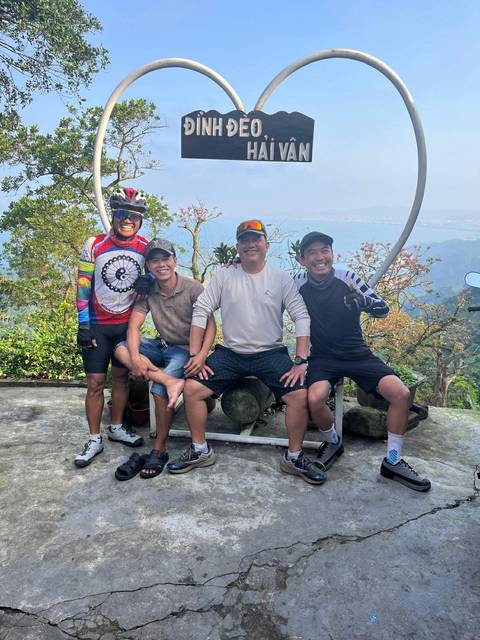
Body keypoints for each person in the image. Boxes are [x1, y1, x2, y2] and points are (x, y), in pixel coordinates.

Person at [167, 219, 326, 485]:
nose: (251, 244)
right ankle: (199, 450)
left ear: (266, 244)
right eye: (245, 240)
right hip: (231, 352)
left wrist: (301, 361)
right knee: (192, 390)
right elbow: (202, 309)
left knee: (298, 394)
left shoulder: (280, 278)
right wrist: (197, 354)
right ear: (238, 246)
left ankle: (294, 456)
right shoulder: (225, 275)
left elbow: (301, 316)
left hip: (270, 352)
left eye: (256, 239)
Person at [295, 231, 431, 492]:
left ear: (332, 255)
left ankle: (393, 460)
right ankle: (332, 441)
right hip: (322, 356)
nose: (319, 257)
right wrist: (237, 266)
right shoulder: (297, 282)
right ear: (302, 260)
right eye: (312, 252)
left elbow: (383, 308)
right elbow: (269, 294)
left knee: (401, 394)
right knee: (314, 399)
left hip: (357, 353)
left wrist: (362, 300)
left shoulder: (347, 277)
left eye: (324, 250)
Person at [113, 238, 216, 478]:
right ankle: (169, 380)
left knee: (158, 391)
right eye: (154, 261)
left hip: (185, 350)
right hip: (162, 344)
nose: (161, 265)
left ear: (174, 261)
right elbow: (134, 327)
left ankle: (159, 449)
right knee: (120, 348)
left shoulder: (193, 288)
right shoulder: (149, 291)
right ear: (148, 266)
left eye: (165, 259)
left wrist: (201, 354)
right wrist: (136, 357)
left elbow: (211, 325)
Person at [74, 187, 149, 468]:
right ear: (113, 215)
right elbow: (83, 289)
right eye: (121, 213)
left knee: (120, 379)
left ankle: (116, 426)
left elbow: (161, 274)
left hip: (125, 327)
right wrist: (84, 326)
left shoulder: (145, 247)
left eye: (133, 215)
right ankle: (94, 439)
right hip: (96, 327)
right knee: (95, 384)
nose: (127, 220)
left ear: (140, 220)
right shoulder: (94, 245)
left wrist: (148, 282)